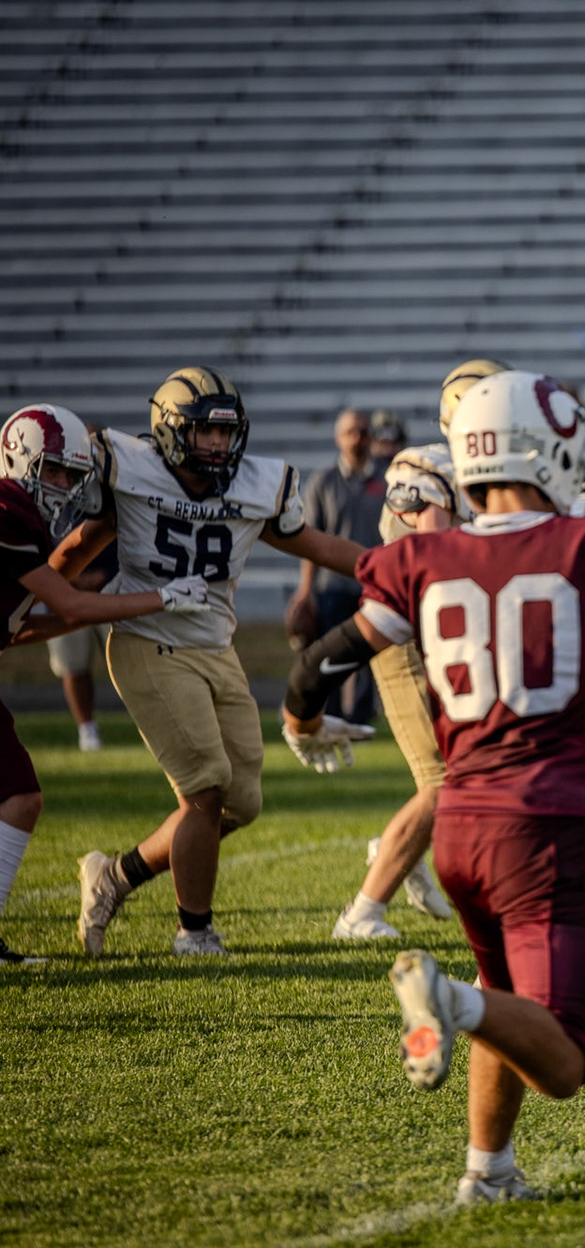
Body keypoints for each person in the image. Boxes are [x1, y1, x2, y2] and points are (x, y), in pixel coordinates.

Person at [278, 369, 585, 1204]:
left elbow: (325, 656)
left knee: (508, 996)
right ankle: (448, 1001)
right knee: (569, 1055)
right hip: (546, 821)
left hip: (463, 824)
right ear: (553, 450)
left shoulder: (428, 555)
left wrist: (299, 720)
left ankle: (489, 1169)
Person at [62, 368, 364, 957]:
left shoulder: (255, 485)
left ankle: (115, 876)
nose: (220, 446)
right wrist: (28, 601)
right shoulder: (130, 472)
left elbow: (317, 546)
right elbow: (78, 549)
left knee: (240, 803)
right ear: (171, 430)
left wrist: (402, 569)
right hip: (147, 639)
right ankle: (194, 932)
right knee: (204, 789)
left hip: (215, 646)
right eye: (206, 433)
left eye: (227, 434)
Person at [0, 404, 211, 965]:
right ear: (18, 458)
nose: (64, 486)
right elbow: (67, 601)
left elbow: (28, 625)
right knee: (18, 797)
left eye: (71, 475)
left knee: (19, 797)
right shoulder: (7, 509)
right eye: (54, 471)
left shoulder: (21, 515)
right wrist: (160, 598)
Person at [330, 444, 465, 941]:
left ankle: (399, 849)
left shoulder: (463, 469)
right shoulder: (426, 470)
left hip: (449, 632)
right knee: (445, 779)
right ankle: (363, 912)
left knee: (462, 771)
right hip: (405, 630)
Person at [287, 408, 386, 726]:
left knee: (371, 652)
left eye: (361, 431)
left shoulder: (386, 480)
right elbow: (310, 540)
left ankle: (361, 716)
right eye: (349, 432)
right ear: (337, 438)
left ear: (371, 435)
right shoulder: (322, 482)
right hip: (332, 586)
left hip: (373, 584)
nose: (356, 438)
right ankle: (327, 714)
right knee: (330, 652)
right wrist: (306, 590)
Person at [45, 545, 115, 752]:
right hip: (62, 591)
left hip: (111, 586)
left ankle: (146, 723)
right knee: (73, 665)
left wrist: (108, 572)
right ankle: (87, 730)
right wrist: (65, 577)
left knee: (128, 661)